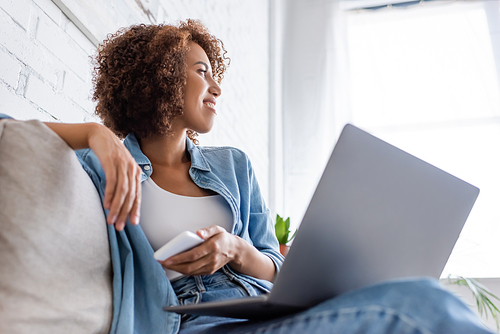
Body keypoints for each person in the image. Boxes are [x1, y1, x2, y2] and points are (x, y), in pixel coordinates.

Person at [0, 20, 494, 334]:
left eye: (216, 73)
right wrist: (96, 134)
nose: (216, 85)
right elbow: (8, 131)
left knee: (412, 297)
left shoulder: (234, 165)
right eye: (200, 70)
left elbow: (275, 269)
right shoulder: (104, 165)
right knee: (420, 307)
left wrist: (237, 250)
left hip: (260, 310)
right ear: (160, 76)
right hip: (189, 324)